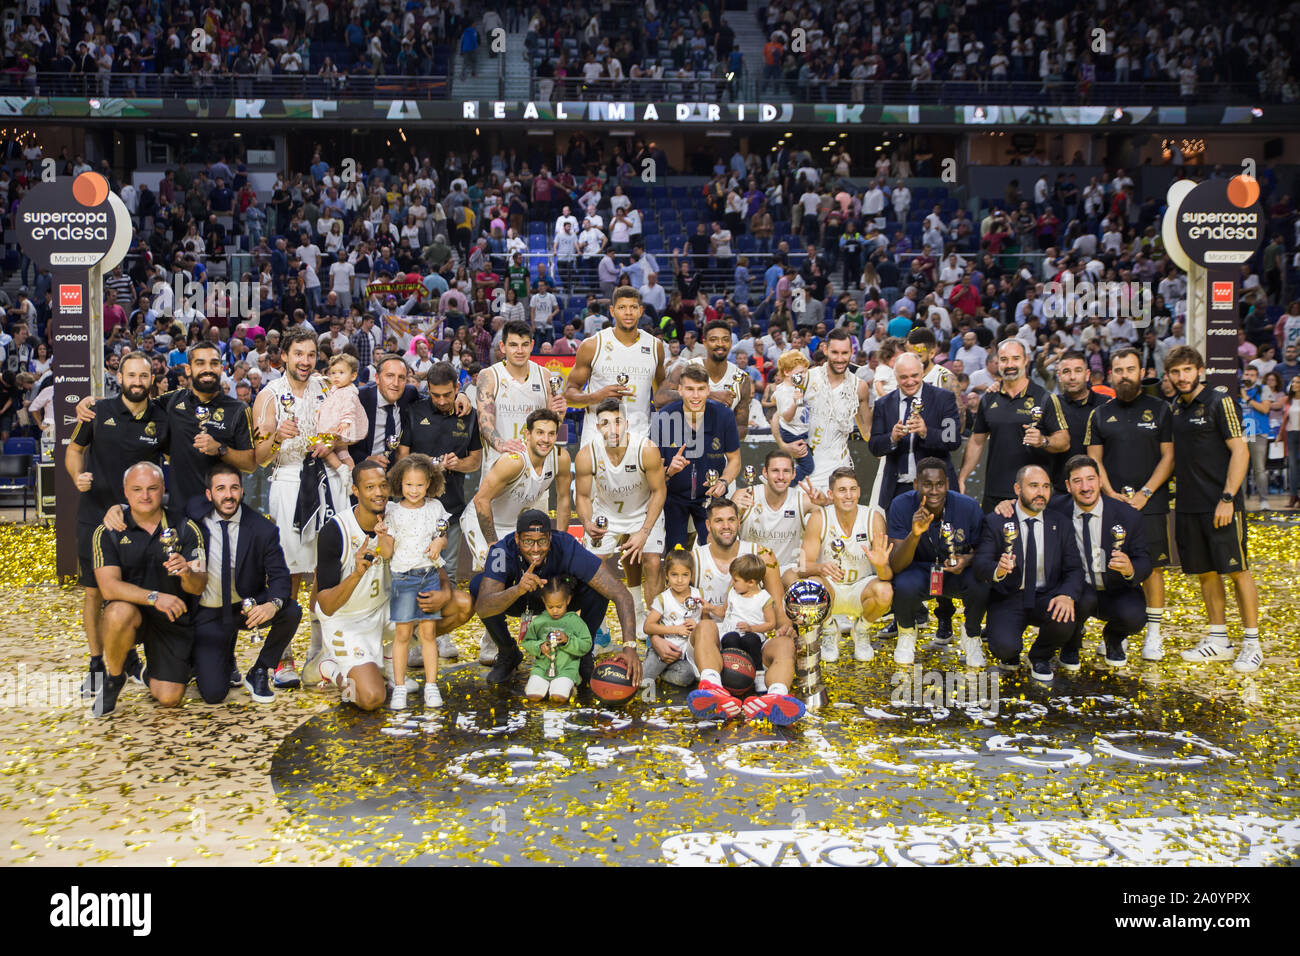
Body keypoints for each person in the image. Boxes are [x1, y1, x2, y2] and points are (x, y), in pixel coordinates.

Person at [251, 328, 344, 690]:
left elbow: (344, 433)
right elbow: (258, 460)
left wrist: (332, 440)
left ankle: (319, 652)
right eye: (298, 354)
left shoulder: (328, 389)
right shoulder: (269, 396)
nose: (305, 361)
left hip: (326, 480)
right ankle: (283, 654)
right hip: (289, 482)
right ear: (284, 357)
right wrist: (276, 438)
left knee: (325, 568)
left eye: (310, 355)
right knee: (288, 573)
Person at [66, 353, 163, 696]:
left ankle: (129, 657)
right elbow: (74, 451)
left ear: (153, 379)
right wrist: (78, 476)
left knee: (131, 590)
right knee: (94, 592)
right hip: (94, 516)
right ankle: (96, 663)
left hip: (139, 520)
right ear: (119, 377)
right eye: (131, 375)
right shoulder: (96, 411)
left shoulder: (161, 416)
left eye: (144, 376)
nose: (137, 381)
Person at [1166, 347, 1263, 672]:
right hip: (1190, 506)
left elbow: (1240, 452)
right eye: (1176, 372)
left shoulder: (1220, 402)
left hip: (1222, 504)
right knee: (1206, 572)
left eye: (1187, 370)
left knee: (1237, 570)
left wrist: (1227, 497)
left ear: (1199, 370)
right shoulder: (1175, 409)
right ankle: (1218, 639)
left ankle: (1252, 643)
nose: (1182, 377)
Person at [469, 508, 640, 685]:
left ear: (550, 538)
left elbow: (620, 593)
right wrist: (517, 590)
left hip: (561, 601)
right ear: (517, 539)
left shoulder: (565, 544)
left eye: (542, 541)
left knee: (598, 589)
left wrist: (630, 647)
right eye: (528, 541)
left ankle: (583, 653)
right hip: (522, 599)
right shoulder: (502, 551)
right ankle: (507, 652)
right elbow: (483, 607)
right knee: (477, 586)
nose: (535, 549)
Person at [90, 462, 207, 717]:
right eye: (137, 489)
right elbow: (109, 588)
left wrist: (187, 572)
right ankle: (116, 676)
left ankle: (147, 669)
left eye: (152, 488)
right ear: (125, 491)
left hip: (172, 618)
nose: (145, 496)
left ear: (163, 488)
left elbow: (198, 586)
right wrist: (155, 598)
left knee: (169, 698)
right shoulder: (108, 531)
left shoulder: (186, 527)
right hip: (134, 612)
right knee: (117, 612)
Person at [679, 498, 806, 725]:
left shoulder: (763, 555)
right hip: (712, 642)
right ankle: (712, 689)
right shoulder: (694, 558)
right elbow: (676, 602)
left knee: (785, 644)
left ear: (739, 522)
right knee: (706, 625)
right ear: (708, 526)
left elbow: (777, 602)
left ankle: (775, 697)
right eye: (718, 521)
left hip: (753, 640)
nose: (726, 526)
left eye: (731, 520)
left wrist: (786, 626)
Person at [1085, 347, 1175, 660]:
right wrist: (1109, 493)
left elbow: (1169, 456)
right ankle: (1119, 632)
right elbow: (1094, 460)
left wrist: (1146, 493)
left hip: (1150, 503)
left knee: (1152, 569)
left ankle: (1153, 634)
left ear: (1141, 371)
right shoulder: (1099, 413)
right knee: (1113, 564)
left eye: (1130, 369)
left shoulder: (1161, 409)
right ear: (1111, 373)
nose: (1125, 375)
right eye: (1119, 370)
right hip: (1112, 505)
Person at [187, 463, 301, 704]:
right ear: (208, 494)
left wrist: (273, 604)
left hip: (245, 608)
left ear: (242, 491)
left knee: (291, 610)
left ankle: (260, 669)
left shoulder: (262, 529)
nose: (228, 495)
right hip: (209, 611)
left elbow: (280, 576)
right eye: (220, 489)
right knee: (214, 694)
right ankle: (219, 657)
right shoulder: (194, 517)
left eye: (234, 488)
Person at [973, 464, 1082, 682]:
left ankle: (1040, 656)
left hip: (1047, 595)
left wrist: (1066, 595)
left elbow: (1074, 568)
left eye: (1046, 486)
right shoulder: (996, 521)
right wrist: (998, 570)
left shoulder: (1060, 523)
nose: (1041, 492)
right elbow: (980, 563)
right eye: (1033, 486)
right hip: (1009, 596)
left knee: (1065, 618)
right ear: (1017, 489)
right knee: (1004, 648)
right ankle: (1010, 651)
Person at [1043, 455, 1150, 668]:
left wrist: (1130, 568)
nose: (1085, 487)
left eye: (1090, 479)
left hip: (1115, 589)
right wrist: (1007, 504)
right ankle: (1071, 642)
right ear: (1068, 485)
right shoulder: (1054, 509)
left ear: (1100, 481)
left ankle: (1113, 637)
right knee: (1078, 598)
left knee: (1135, 617)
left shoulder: (1128, 515)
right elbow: (1024, 505)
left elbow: (1144, 559)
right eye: (1077, 481)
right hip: (1077, 591)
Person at [573, 398, 667, 634]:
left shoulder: (646, 449)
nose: (612, 428)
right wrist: (586, 523)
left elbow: (659, 491)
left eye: (617, 422)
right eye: (605, 423)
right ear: (597, 427)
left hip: (644, 511)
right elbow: (583, 497)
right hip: (607, 514)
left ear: (626, 423)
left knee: (652, 562)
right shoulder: (587, 454)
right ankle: (598, 628)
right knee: (592, 567)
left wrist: (644, 531)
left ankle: (653, 625)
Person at [397, 361, 483, 614]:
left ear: (458, 387)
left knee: (450, 574)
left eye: (448, 394)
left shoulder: (470, 415)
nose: (442, 400)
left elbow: (475, 461)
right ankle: (412, 635)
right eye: (436, 395)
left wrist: (458, 463)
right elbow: (402, 459)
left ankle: (443, 634)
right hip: (414, 508)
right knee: (412, 573)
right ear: (428, 389)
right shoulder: (414, 412)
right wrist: (432, 464)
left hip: (451, 508)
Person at [886, 458, 989, 666]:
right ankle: (906, 631)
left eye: (939, 484)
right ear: (916, 484)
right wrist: (914, 535)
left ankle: (971, 634)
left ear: (947, 484)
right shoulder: (901, 505)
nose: (934, 491)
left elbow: (984, 552)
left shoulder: (968, 507)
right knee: (902, 584)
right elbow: (896, 564)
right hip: (919, 571)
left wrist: (966, 560)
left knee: (981, 581)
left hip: (955, 571)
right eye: (927, 484)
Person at [313, 460, 396, 710]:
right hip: (347, 621)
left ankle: (387, 658)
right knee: (370, 699)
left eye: (383, 485)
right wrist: (356, 574)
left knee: (456, 606)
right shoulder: (335, 531)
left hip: (385, 611)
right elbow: (325, 606)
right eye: (370, 487)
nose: (379, 493)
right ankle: (332, 669)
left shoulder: (396, 516)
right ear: (355, 491)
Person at [958, 339, 1069, 512]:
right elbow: (977, 441)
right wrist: (962, 477)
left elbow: (1064, 441)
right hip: (994, 491)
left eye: (1015, 358)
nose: (1010, 364)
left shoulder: (1045, 398)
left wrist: (1044, 441)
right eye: (1004, 359)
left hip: (1033, 493)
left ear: (1025, 360)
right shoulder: (989, 398)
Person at [800, 466, 895, 662]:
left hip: (861, 589)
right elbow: (803, 566)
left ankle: (861, 630)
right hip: (830, 590)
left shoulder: (873, 518)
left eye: (853, 489)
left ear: (859, 492)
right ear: (831, 494)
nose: (848, 495)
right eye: (842, 490)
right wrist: (820, 567)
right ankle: (828, 631)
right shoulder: (819, 518)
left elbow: (886, 576)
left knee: (885, 590)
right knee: (811, 585)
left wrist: (881, 565)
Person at [384, 454, 453, 710]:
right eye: (408, 485)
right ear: (400, 483)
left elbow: (442, 536)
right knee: (402, 633)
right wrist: (382, 536)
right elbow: (387, 552)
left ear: (429, 484)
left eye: (419, 485)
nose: (414, 490)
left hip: (429, 576)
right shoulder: (392, 511)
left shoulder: (435, 508)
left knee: (427, 633)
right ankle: (400, 686)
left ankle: (431, 685)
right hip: (403, 577)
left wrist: (439, 542)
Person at [650, 364, 741, 550]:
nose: (696, 396)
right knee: (676, 553)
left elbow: (734, 459)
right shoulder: (664, 418)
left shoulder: (724, 415)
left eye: (701, 389)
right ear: (680, 390)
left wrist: (723, 481)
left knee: (717, 548)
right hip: (674, 496)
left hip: (710, 495)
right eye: (690, 389)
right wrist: (668, 471)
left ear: (708, 390)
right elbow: (653, 468)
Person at [565, 286, 666, 443]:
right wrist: (595, 397)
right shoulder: (592, 345)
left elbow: (661, 395)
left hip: (638, 439)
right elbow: (569, 395)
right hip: (597, 438)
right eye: (622, 307)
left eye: (633, 307)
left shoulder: (655, 346)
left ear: (641, 311)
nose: (628, 312)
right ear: (612, 311)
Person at [867, 352, 962, 508]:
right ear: (895, 376)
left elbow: (953, 440)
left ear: (923, 371)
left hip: (935, 488)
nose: (910, 381)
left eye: (914, 375)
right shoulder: (883, 404)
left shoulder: (944, 398)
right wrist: (892, 438)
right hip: (896, 489)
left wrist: (926, 432)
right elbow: (874, 446)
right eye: (904, 377)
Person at [476, 320, 567, 476]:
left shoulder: (545, 375)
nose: (520, 350)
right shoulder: (489, 376)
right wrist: (502, 445)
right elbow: (484, 422)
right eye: (513, 345)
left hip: (535, 467)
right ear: (502, 347)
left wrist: (559, 414)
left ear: (532, 345)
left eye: (524, 345)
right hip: (500, 465)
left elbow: (553, 424)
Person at [794, 328, 872, 493]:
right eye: (834, 352)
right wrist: (786, 447)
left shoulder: (859, 387)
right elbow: (779, 420)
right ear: (825, 350)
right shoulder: (806, 379)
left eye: (844, 353)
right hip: (805, 469)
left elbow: (868, 433)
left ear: (852, 352)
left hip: (839, 471)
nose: (839, 358)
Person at [653, 320, 753, 438]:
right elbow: (659, 398)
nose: (720, 344)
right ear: (705, 343)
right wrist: (708, 395)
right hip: (683, 444)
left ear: (731, 343)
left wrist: (719, 438)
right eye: (713, 339)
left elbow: (742, 426)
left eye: (725, 339)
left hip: (717, 451)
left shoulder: (741, 380)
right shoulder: (685, 368)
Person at [732, 449, 815, 587]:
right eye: (775, 470)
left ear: (794, 474)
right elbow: (723, 535)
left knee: (801, 587)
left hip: (785, 572)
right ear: (765, 472)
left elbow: (834, 514)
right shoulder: (744, 496)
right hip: (750, 571)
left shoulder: (803, 501)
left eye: (786, 471)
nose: (781, 476)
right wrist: (737, 513)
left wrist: (825, 502)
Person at [521, 576, 593, 702]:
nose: (555, 611)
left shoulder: (575, 621)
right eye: (550, 607)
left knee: (558, 698)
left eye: (559, 606)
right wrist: (539, 646)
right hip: (541, 669)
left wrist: (568, 641)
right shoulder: (539, 621)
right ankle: (543, 686)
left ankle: (570, 687)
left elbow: (586, 643)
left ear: (568, 600)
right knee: (533, 696)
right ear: (544, 601)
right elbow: (527, 642)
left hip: (566, 670)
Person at [642, 550, 704, 687]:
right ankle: (653, 665)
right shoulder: (663, 598)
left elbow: (707, 622)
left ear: (692, 575)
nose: (680, 580)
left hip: (684, 654)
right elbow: (648, 626)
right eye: (674, 575)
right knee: (644, 681)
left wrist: (697, 625)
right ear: (667, 575)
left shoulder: (698, 594)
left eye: (685, 575)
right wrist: (676, 629)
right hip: (664, 649)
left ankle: (663, 673)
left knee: (687, 677)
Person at [1053, 349, 1108, 491]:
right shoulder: (1051, 406)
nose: (1072, 377)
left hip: (1101, 490)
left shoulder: (1106, 405)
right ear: (1059, 376)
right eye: (1066, 371)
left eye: (1078, 371)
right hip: (1061, 490)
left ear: (1087, 374)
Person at [315, 352, 368, 485]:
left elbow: (349, 409)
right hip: (333, 424)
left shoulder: (349, 393)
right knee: (343, 453)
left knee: (325, 447)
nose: (336, 376)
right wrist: (319, 378)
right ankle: (350, 476)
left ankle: (342, 469)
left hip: (337, 427)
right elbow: (328, 383)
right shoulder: (337, 387)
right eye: (333, 373)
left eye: (341, 373)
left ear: (353, 376)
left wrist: (346, 423)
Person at [770, 352, 814, 480]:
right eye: (800, 372)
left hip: (801, 431)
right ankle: (783, 482)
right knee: (807, 467)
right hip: (793, 434)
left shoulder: (792, 388)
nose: (803, 376)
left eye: (805, 372)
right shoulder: (784, 391)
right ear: (787, 372)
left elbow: (774, 398)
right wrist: (795, 403)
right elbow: (787, 417)